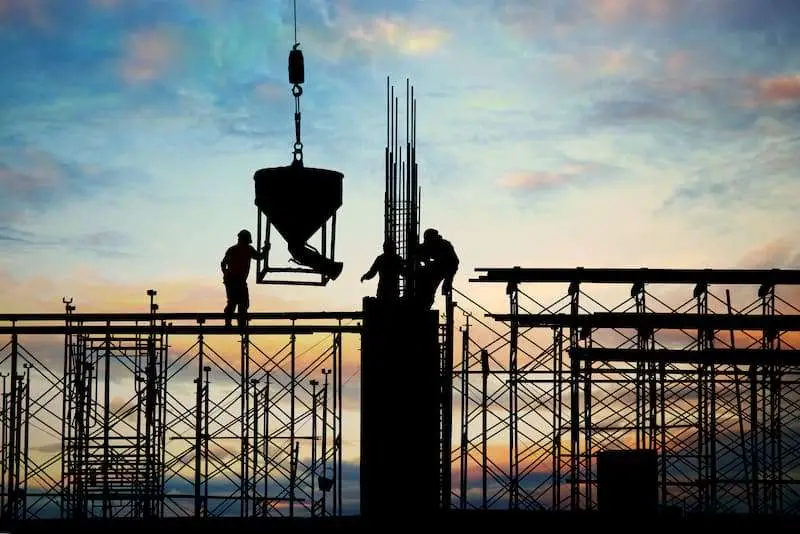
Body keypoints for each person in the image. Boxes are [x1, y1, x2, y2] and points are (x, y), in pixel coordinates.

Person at [220, 229, 266, 329]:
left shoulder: (235, 249)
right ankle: (238, 324)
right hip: (235, 280)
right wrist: (266, 250)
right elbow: (259, 257)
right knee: (240, 303)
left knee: (236, 302)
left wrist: (226, 274)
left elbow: (223, 264)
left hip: (234, 280)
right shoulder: (244, 249)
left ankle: (233, 324)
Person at [415, 228, 459, 310]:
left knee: (429, 290)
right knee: (424, 285)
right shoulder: (430, 244)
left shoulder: (444, 246)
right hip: (439, 268)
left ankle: (425, 304)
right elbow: (421, 252)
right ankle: (424, 303)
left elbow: (453, 264)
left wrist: (448, 281)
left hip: (445, 269)